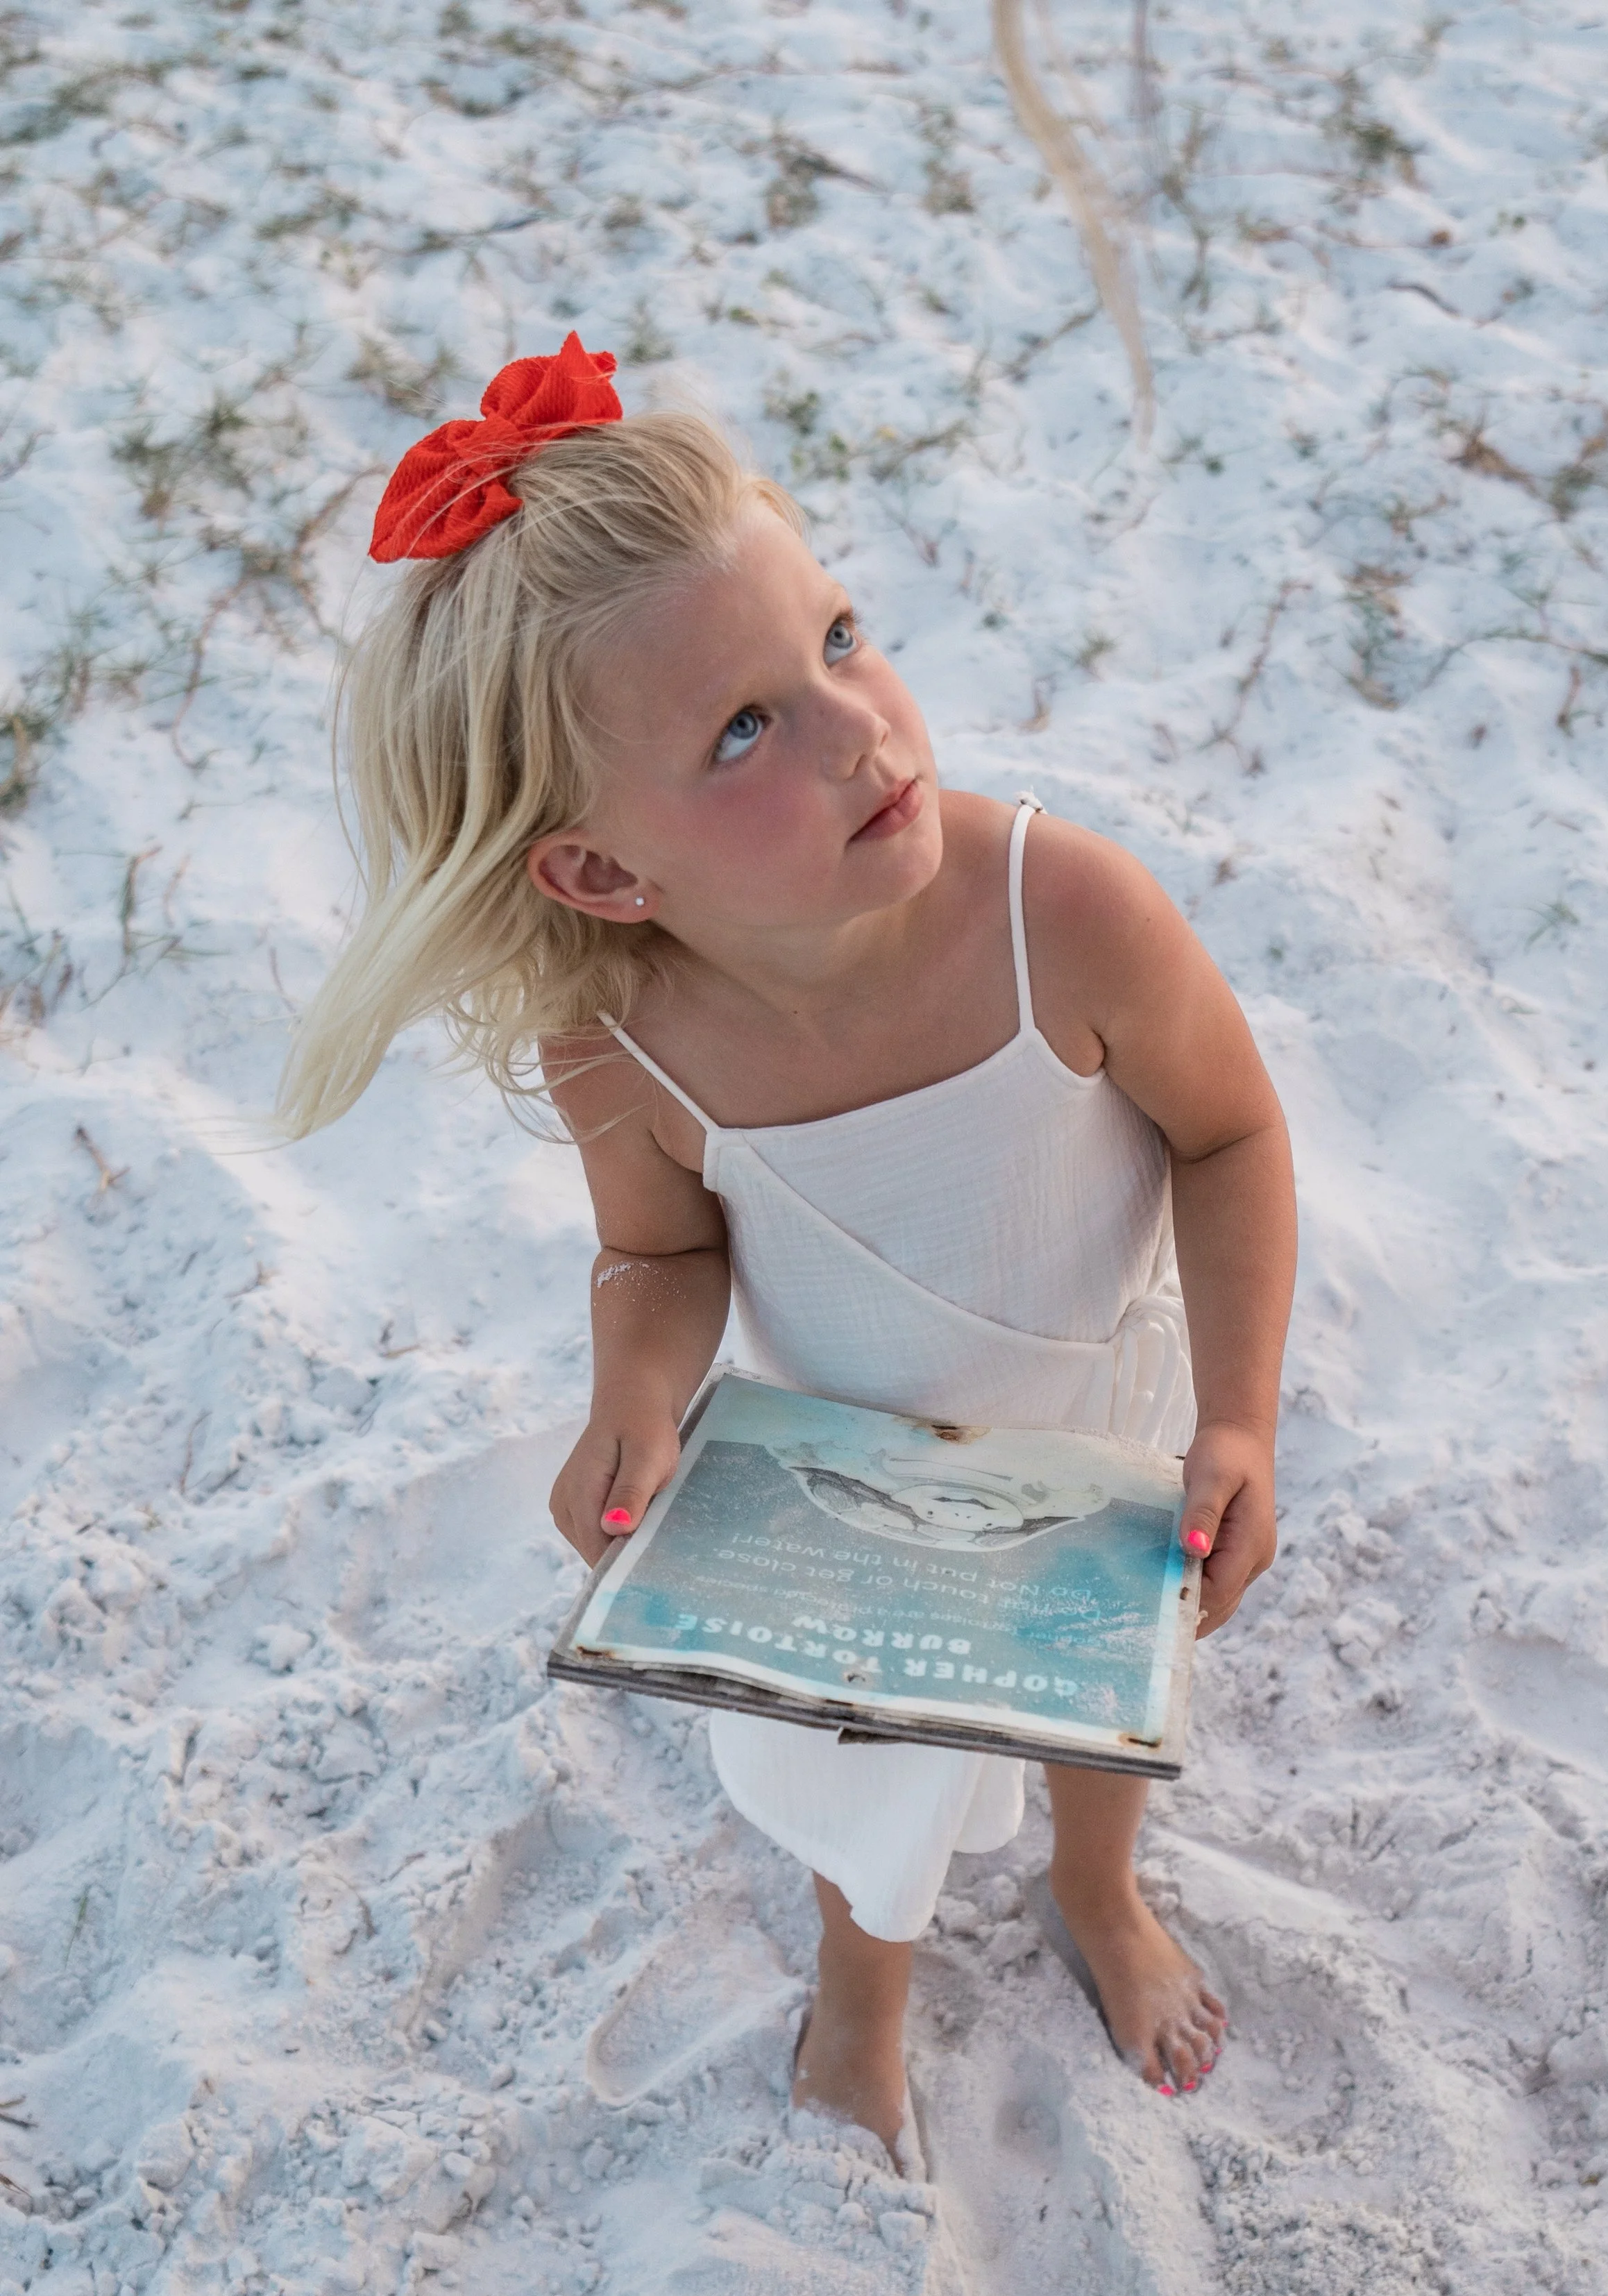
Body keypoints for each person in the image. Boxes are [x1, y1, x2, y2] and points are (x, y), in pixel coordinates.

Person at [278, 333, 1296, 2166]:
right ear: (599, 872)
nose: (858, 727)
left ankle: (1096, 1892)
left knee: (1099, 1714)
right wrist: (637, 1392)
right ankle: (864, 1994)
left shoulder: (1052, 912)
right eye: (742, 728)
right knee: (870, 1785)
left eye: (835, 638)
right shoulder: (623, 1047)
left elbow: (1226, 1134)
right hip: (850, 1488)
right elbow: (657, 1256)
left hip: (1100, 1424)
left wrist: (1235, 1419)